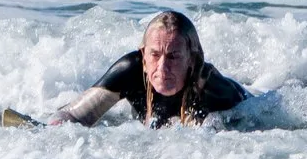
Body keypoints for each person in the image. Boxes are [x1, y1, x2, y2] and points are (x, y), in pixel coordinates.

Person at [52, 10, 246, 126]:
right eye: (155, 55)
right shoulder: (130, 70)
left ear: (191, 59)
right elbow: (72, 115)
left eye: (173, 56)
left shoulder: (215, 91)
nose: (162, 67)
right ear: (143, 55)